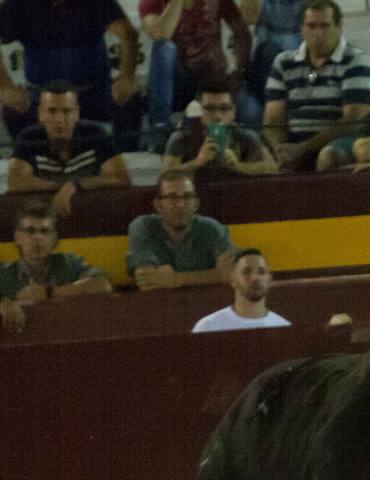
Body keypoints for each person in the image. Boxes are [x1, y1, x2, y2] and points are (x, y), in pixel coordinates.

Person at [0, 0, 141, 152]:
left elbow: (128, 34)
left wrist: (127, 77)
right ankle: (32, 165)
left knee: (130, 97)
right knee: (12, 109)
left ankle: (123, 160)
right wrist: (6, 86)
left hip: (93, 92)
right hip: (43, 97)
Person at [139, 0, 255, 139]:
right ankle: (160, 129)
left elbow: (242, 33)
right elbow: (160, 35)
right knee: (163, 47)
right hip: (177, 83)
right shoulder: (151, 0)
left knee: (252, 113)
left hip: (214, 79)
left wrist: (240, 72)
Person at [263, 0, 370, 171]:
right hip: (295, 144)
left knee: (330, 156)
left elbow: (353, 121)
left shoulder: (356, 61)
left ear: (339, 28)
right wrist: (279, 151)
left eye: (325, 26)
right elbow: (272, 120)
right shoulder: (283, 62)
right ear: (302, 29)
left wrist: (303, 148)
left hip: (343, 142)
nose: (318, 33)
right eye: (311, 26)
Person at [7, 82, 130, 219]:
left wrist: (76, 184)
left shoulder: (95, 134)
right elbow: (16, 182)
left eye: (66, 111)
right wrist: (62, 186)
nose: (59, 119)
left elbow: (121, 178)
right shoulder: (28, 138)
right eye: (52, 111)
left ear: (76, 113)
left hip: (91, 216)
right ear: (40, 113)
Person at [0, 201, 112, 334]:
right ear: (17, 237)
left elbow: (102, 284)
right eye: (30, 231)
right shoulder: (3, 272)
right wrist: (3, 304)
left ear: (54, 238)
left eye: (45, 231)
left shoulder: (69, 262)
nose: (38, 237)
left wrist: (49, 292)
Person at [239, 0, 333, 108]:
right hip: (267, 57)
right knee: (271, 50)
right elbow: (249, 18)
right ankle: (274, 110)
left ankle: (297, 108)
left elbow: (324, 15)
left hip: (306, 52)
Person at [126, 170, 235, 291]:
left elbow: (231, 274)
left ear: (196, 204)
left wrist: (177, 279)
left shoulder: (211, 227)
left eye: (187, 197)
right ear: (158, 205)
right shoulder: (143, 226)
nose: (181, 205)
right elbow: (146, 282)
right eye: (172, 197)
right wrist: (210, 275)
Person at [162, 77, 278, 178]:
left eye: (224, 108)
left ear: (233, 112)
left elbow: (274, 168)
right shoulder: (182, 137)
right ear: (199, 111)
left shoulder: (245, 136)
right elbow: (165, 176)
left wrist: (239, 166)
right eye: (209, 108)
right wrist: (197, 162)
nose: (217, 116)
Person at [192, 248, 291, 332]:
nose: (255, 278)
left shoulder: (283, 327)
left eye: (261, 272)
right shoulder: (208, 327)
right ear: (233, 280)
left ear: (269, 281)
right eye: (247, 272)